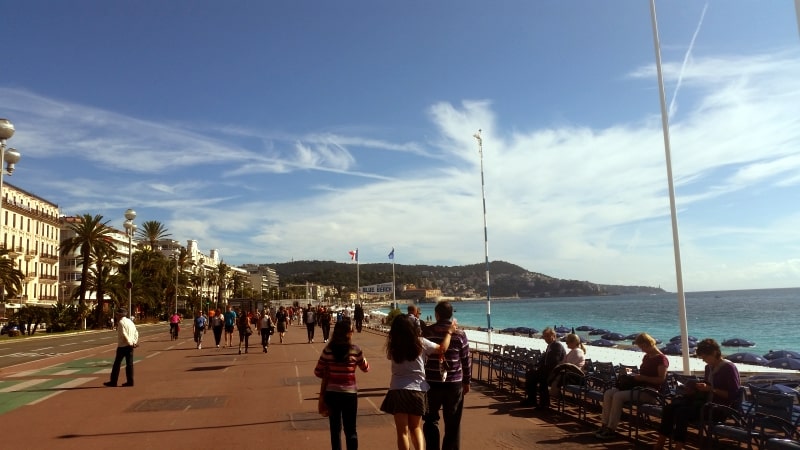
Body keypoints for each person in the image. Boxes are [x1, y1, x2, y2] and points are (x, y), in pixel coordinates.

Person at [381, 314, 457, 450]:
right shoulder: (420, 342)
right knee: (416, 427)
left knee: (402, 432)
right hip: (418, 389)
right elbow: (442, 348)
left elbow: (389, 356)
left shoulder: (393, 346)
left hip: (398, 389)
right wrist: (449, 332)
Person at [653, 338, 740, 450]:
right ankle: (660, 442)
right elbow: (707, 387)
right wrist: (695, 388)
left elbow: (733, 395)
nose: (704, 360)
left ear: (714, 353)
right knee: (670, 408)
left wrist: (711, 389)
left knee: (682, 412)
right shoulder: (708, 368)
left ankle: (678, 446)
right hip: (704, 403)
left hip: (718, 408)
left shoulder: (729, 368)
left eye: (705, 357)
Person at [595, 332, 669, 440]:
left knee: (618, 396)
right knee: (608, 393)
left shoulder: (661, 359)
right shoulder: (647, 357)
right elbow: (644, 373)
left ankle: (611, 429)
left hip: (650, 392)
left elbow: (661, 379)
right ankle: (604, 424)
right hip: (639, 388)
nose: (642, 349)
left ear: (649, 344)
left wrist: (643, 378)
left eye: (643, 346)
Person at [422, 301, 471, 450]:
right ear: (451, 315)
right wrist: (467, 381)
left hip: (431, 383)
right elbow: (465, 360)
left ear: (437, 315)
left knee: (430, 420)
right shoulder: (460, 335)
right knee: (453, 423)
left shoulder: (427, 333)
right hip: (454, 384)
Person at [314, 320, 370, 450]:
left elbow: (317, 371)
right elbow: (366, 368)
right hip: (349, 394)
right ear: (348, 334)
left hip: (332, 394)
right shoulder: (355, 350)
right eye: (352, 331)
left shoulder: (328, 350)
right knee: (351, 430)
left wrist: (331, 373)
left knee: (335, 430)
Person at [519, 327, 566, 410]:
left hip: (555, 372)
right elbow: (544, 360)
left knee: (542, 379)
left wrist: (541, 369)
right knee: (530, 374)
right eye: (544, 336)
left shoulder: (557, 346)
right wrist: (537, 366)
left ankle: (544, 404)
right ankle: (531, 399)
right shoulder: (550, 346)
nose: (546, 338)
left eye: (548, 336)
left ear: (553, 336)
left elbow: (555, 361)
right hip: (546, 370)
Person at [103, 307, 138, 387]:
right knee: (129, 364)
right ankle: (130, 381)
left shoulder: (121, 323)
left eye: (117, 314)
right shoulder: (130, 321)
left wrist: (129, 342)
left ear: (120, 315)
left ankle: (113, 381)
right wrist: (134, 342)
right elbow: (136, 332)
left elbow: (124, 334)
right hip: (130, 345)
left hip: (123, 346)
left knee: (117, 364)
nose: (116, 315)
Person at [548, 333, 586, 397]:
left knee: (556, 376)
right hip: (573, 375)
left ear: (573, 342)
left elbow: (568, 365)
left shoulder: (576, 351)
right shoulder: (574, 351)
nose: (566, 343)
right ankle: (553, 392)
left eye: (568, 342)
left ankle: (553, 393)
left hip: (575, 378)